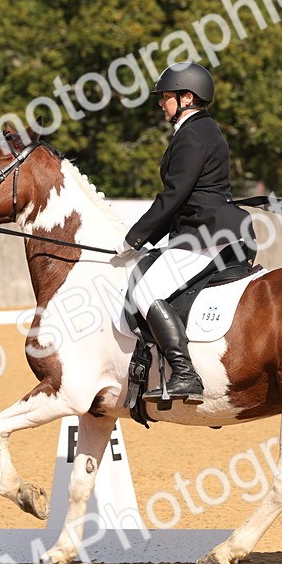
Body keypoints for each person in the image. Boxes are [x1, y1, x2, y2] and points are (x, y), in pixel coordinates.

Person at [118, 62, 252, 405]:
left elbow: (174, 195)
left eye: (165, 97)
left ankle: (184, 374)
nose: (161, 104)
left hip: (205, 235)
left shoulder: (193, 134)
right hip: (209, 230)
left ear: (186, 97)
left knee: (146, 292)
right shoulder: (202, 130)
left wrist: (134, 238)